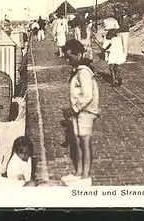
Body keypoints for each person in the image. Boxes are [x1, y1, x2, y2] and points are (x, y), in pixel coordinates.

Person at [61, 39, 101, 187]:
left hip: (86, 111)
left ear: (78, 55)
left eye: (70, 56)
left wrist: (76, 108)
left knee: (85, 143)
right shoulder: (78, 71)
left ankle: (86, 176)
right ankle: (78, 173)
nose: (67, 59)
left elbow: (88, 95)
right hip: (79, 112)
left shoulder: (83, 72)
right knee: (78, 142)